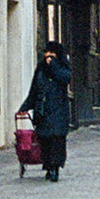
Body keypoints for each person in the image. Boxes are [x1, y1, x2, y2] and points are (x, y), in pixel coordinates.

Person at [18, 40, 73, 181]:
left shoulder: (63, 67)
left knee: (57, 141)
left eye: (52, 53)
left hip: (59, 111)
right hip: (43, 112)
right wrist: (25, 107)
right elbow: (34, 91)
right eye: (47, 53)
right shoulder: (40, 69)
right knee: (45, 141)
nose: (48, 56)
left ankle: (55, 168)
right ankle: (48, 167)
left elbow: (65, 78)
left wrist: (54, 65)